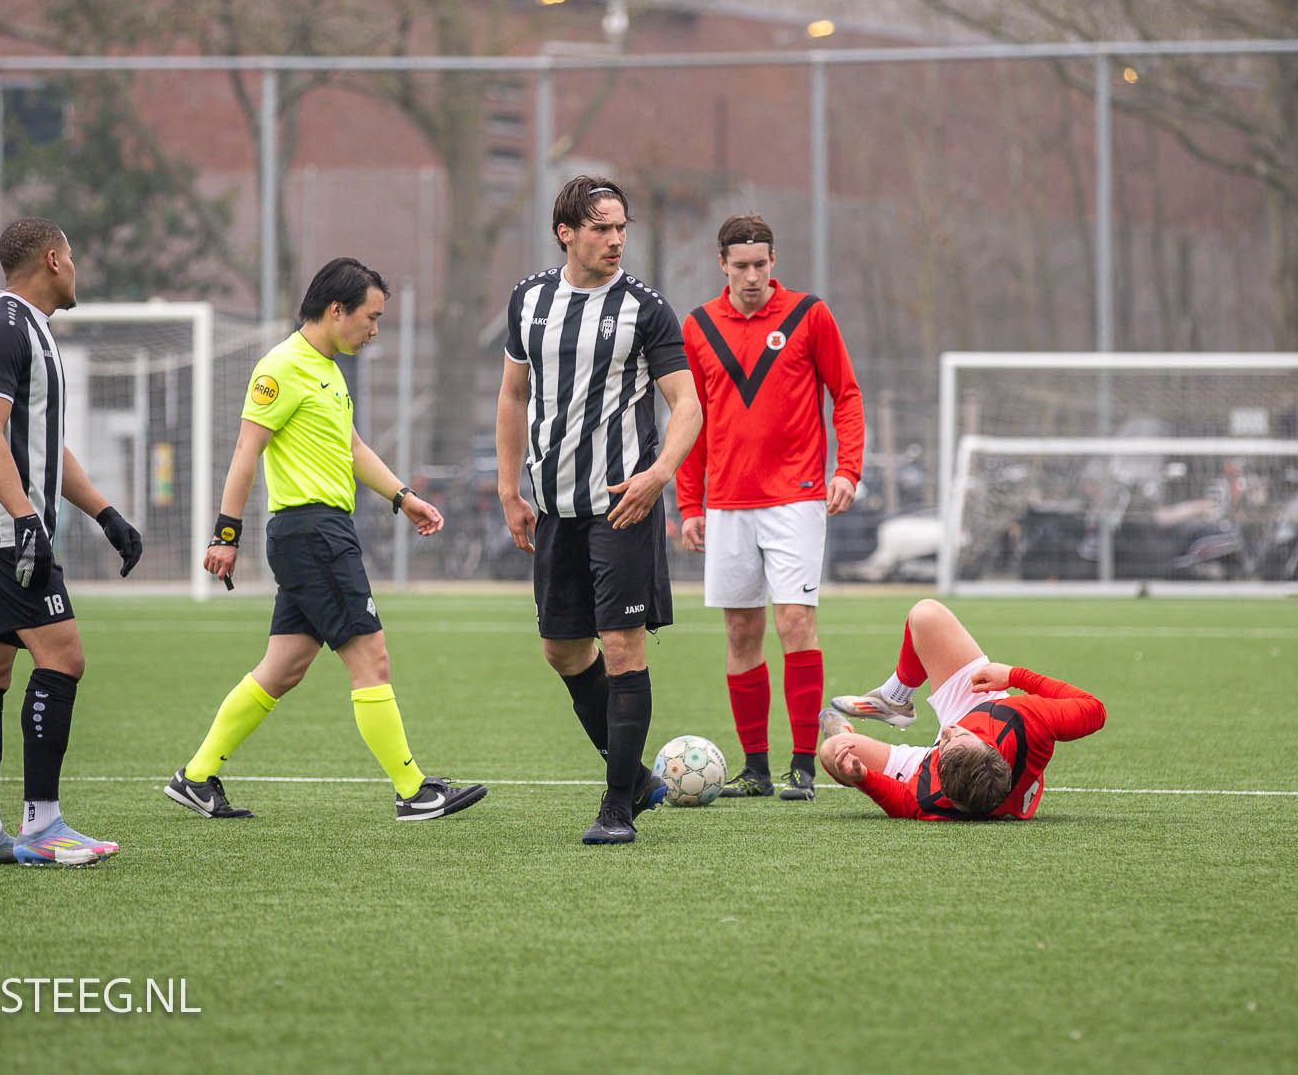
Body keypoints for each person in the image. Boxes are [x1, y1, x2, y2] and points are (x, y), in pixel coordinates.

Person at [167, 258, 485, 823]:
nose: (376, 329)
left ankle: (195, 777)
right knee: (372, 658)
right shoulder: (281, 367)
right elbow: (245, 450)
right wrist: (225, 533)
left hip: (319, 533)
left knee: (283, 668)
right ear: (336, 310)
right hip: (312, 534)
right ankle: (412, 791)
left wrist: (403, 497)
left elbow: (353, 447)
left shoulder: (329, 369)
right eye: (372, 317)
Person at [496, 176, 703, 844]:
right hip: (554, 505)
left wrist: (657, 476)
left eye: (621, 228)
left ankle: (617, 806)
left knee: (621, 645)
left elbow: (688, 404)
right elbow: (513, 395)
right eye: (601, 228)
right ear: (566, 232)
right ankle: (637, 777)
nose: (616, 240)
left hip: (623, 507)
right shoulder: (529, 299)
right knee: (562, 650)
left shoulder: (646, 308)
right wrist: (509, 488)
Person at [0, 218, 143, 867]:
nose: (77, 270)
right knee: (63, 657)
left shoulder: (32, 330)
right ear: (53, 260)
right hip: (4, 532)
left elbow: (41, 445)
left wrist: (105, 514)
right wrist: (26, 518)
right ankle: (42, 824)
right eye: (73, 257)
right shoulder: (6, 328)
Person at [675, 213, 864, 801]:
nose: (752, 276)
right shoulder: (698, 325)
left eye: (761, 264)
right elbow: (690, 417)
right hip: (727, 501)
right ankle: (755, 770)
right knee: (740, 631)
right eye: (741, 266)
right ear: (722, 265)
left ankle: (803, 766)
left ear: (774, 261)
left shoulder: (810, 314)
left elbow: (846, 394)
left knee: (795, 623)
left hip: (797, 498)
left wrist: (847, 469)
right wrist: (689, 501)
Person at [822, 599, 1105, 820]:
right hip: (983, 707)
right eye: (959, 736)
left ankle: (850, 733)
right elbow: (1094, 709)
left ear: (940, 774)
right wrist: (1014, 676)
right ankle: (894, 699)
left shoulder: (934, 797)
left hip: (955, 759)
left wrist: (864, 778)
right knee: (926, 614)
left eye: (944, 743)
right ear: (990, 747)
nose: (947, 730)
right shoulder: (1024, 721)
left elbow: (902, 802)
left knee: (833, 752)